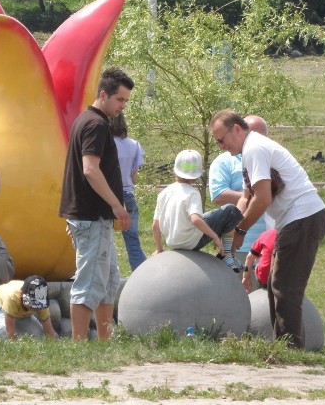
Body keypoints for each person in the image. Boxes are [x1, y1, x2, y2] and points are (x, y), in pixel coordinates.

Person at [209, 110, 325, 349]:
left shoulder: (255, 149)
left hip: (303, 218)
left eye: (221, 139)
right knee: (277, 283)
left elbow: (262, 199)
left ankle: (291, 351)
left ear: (237, 130)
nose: (220, 145)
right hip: (295, 220)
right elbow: (246, 197)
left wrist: (241, 232)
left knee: (285, 287)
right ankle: (286, 347)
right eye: (216, 142)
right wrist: (231, 231)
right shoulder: (247, 153)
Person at [59, 67, 133, 341]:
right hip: (92, 217)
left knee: (109, 281)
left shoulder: (86, 120)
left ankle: (104, 341)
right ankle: (79, 346)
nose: (122, 106)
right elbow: (90, 169)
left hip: (91, 218)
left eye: (125, 101)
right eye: (119, 100)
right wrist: (116, 205)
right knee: (89, 283)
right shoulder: (96, 124)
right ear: (103, 94)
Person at [151, 150, 242, 272]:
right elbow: (195, 219)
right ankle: (226, 254)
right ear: (196, 175)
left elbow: (155, 225)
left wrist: (160, 249)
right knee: (230, 210)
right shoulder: (192, 193)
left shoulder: (164, 193)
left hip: (173, 242)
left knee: (209, 215)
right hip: (191, 242)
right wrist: (215, 237)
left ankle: (227, 254)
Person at [208, 114, 271, 273]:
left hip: (268, 239)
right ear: (240, 131)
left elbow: (263, 196)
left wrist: (259, 196)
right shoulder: (226, 161)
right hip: (243, 242)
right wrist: (236, 232)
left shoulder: (259, 153)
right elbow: (219, 194)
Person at [110, 112, 147, 271]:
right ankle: (142, 277)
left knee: (105, 241)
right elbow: (133, 178)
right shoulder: (135, 145)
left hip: (109, 195)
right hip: (128, 195)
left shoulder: (107, 143)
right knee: (133, 241)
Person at [0, 275, 58, 339]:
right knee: (2, 330)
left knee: (39, 334)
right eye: (32, 304)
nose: (34, 308)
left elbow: (48, 329)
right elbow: (10, 331)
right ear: (22, 294)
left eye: (37, 306)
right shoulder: (12, 297)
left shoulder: (42, 302)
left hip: (21, 313)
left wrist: (54, 343)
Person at [242, 228, 277, 292]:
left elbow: (249, 257)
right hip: (286, 279)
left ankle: (261, 288)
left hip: (264, 277)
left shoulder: (267, 234)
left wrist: (246, 277)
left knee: (259, 255)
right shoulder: (295, 235)